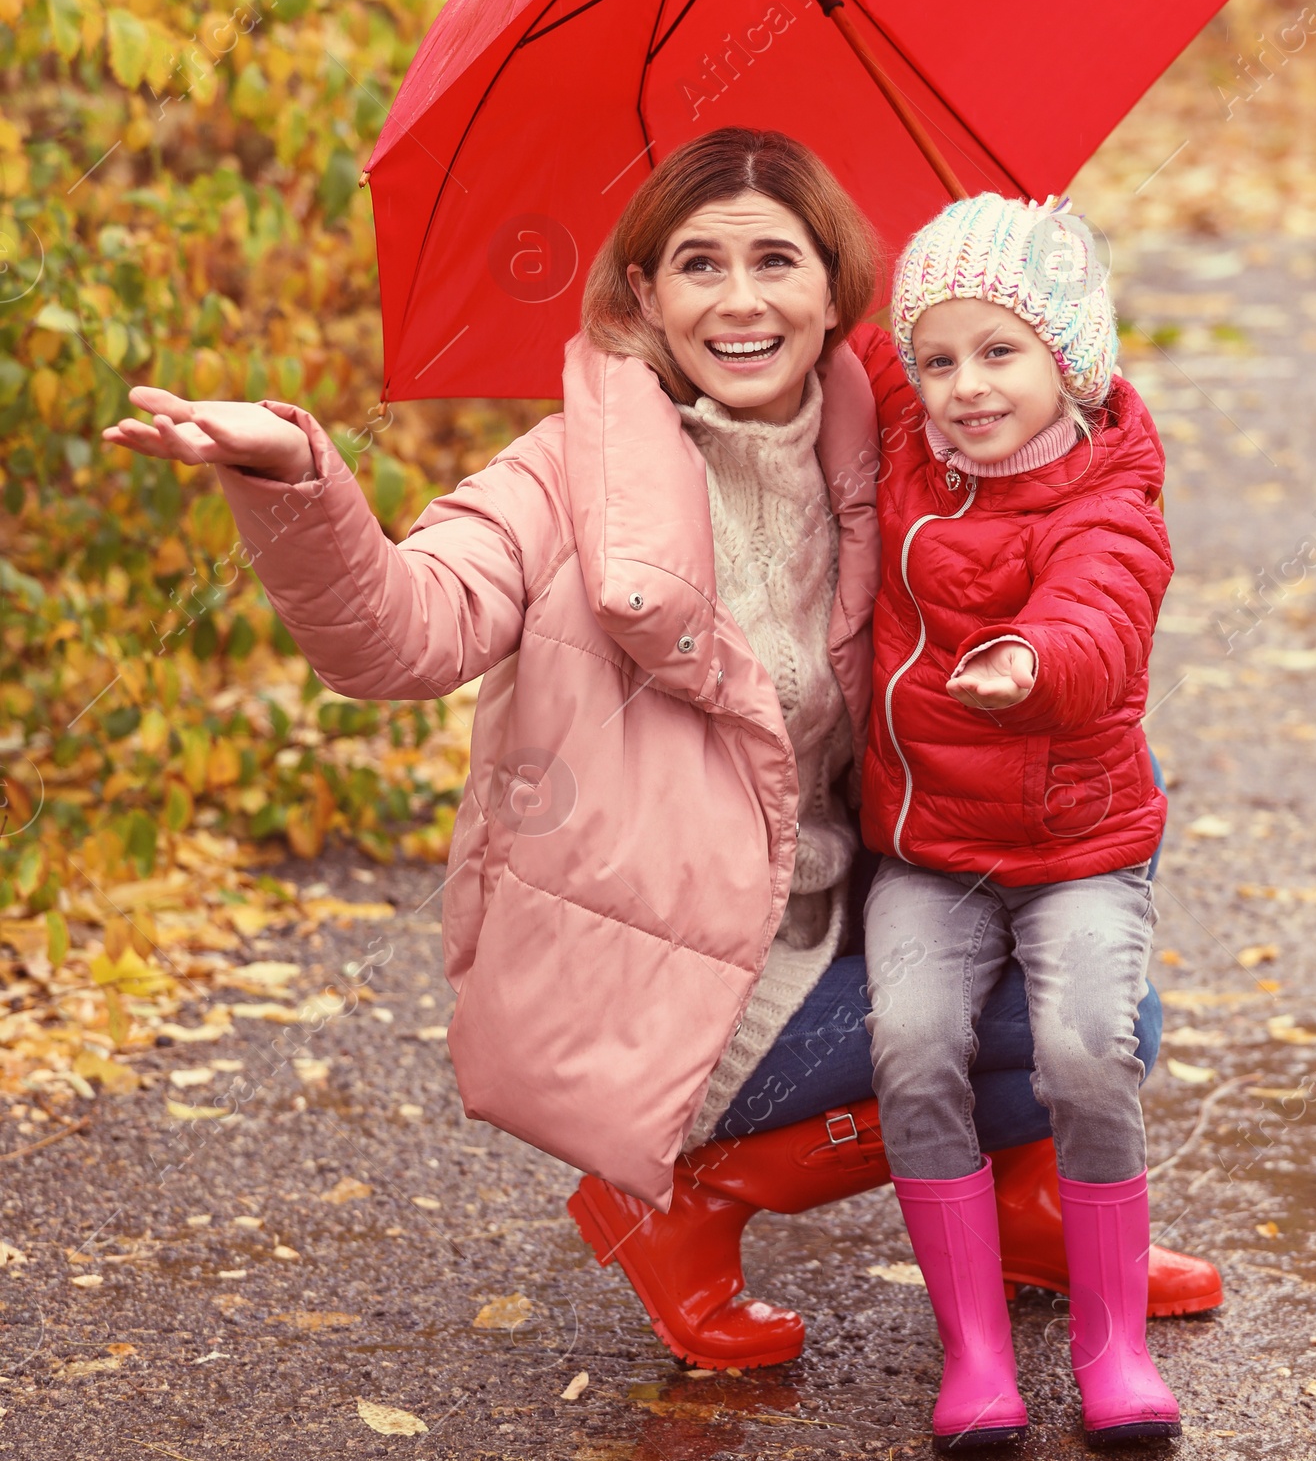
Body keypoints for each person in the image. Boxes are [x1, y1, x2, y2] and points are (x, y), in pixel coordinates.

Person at [102, 130, 1218, 1378]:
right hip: (687, 959)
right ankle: (687, 1202)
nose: (739, 302)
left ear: (835, 287)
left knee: (1106, 1004)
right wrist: (294, 473)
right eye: (697, 265)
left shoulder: (890, 423)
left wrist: (1079, 388)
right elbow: (398, 639)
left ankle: (1030, 1213)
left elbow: (1062, 444)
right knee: (1003, 1034)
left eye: (774, 262)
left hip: (849, 889)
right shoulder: (573, 473)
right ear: (644, 293)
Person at [856, 192, 1179, 1453]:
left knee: (1087, 1050)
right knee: (915, 1044)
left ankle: (1111, 1342)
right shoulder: (908, 447)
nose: (964, 386)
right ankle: (976, 1348)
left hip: (1073, 851)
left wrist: (1034, 662)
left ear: (1073, 357)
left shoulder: (1110, 495)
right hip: (929, 849)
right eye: (937, 357)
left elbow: (1103, 615)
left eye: (1001, 353)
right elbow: (839, 345)